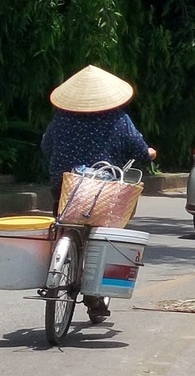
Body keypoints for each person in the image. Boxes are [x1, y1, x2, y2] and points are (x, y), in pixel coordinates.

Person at [41, 65, 155, 325]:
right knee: (103, 237)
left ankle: (55, 267)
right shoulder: (118, 119)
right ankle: (95, 294)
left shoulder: (61, 118)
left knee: (64, 224)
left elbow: (46, 146)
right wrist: (148, 154)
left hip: (66, 185)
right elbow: (139, 150)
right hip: (102, 191)